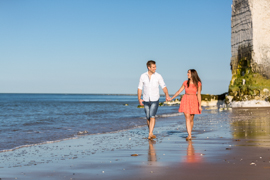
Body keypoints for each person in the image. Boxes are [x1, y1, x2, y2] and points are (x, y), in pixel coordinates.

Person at [138, 60, 170, 139]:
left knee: (152, 116)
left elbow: (163, 86)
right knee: (148, 117)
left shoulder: (158, 76)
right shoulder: (143, 76)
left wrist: (167, 95)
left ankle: (150, 133)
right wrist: (139, 98)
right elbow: (139, 88)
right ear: (149, 67)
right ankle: (150, 132)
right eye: (153, 67)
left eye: (155, 67)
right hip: (146, 99)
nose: (155, 68)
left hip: (155, 99)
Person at [169, 69, 202, 140]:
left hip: (194, 100)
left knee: (191, 119)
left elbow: (199, 95)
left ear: (193, 74)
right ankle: (189, 135)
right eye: (187, 73)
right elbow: (179, 91)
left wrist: (200, 105)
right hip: (186, 99)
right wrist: (172, 98)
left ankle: (190, 132)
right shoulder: (185, 82)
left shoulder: (198, 83)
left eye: (189, 73)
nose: (187, 74)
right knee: (187, 117)